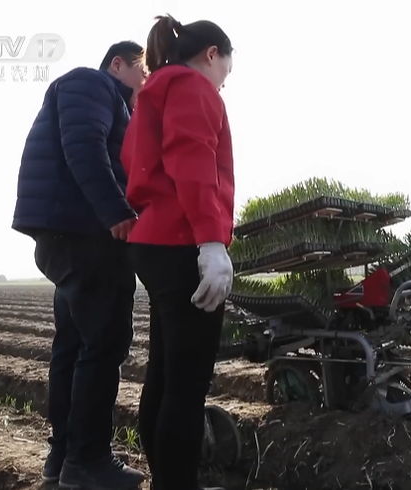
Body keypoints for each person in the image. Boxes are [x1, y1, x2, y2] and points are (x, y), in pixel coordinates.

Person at [11, 41, 147, 490]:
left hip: (68, 234)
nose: (144, 83)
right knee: (104, 343)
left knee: (73, 345)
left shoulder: (100, 94)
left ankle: (63, 457)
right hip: (86, 233)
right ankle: (88, 461)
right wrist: (117, 213)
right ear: (118, 64)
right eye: (141, 72)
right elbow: (84, 146)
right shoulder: (92, 84)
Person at [120, 14, 235, 490]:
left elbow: (135, 163)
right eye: (227, 70)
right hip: (181, 240)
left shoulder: (154, 89)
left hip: (153, 240)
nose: (224, 83)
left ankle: (167, 480)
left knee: (165, 375)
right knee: (187, 385)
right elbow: (193, 160)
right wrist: (211, 241)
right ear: (212, 54)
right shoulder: (191, 86)